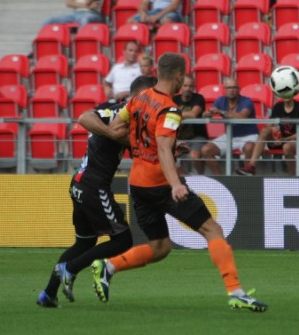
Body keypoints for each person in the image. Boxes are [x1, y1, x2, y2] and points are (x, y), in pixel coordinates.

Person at [91, 53, 268, 312]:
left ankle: (108, 266)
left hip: (138, 184)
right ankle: (236, 291)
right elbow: (163, 149)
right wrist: (175, 183)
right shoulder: (170, 109)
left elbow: (117, 128)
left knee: (160, 247)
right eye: (183, 76)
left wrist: (151, 146)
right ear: (177, 76)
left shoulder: (138, 98)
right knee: (213, 230)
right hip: (161, 183)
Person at [36, 75, 158, 308]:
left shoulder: (123, 114)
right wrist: (112, 134)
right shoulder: (122, 114)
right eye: (152, 96)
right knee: (122, 240)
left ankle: (48, 294)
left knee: (84, 243)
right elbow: (83, 116)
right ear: (142, 95)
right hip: (93, 186)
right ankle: (69, 269)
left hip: (79, 184)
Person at [236, 95, 299, 177]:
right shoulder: (277, 107)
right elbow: (268, 125)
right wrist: (273, 129)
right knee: (264, 131)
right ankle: (251, 166)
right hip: (280, 140)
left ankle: (292, 176)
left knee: (287, 147)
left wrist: (283, 139)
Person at [199, 77, 259, 175]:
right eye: (229, 88)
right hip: (230, 135)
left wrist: (221, 112)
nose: (232, 90)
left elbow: (242, 117)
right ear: (225, 90)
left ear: (239, 89)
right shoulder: (221, 100)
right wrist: (208, 113)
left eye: (235, 87)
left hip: (248, 135)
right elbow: (207, 113)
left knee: (249, 147)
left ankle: (248, 177)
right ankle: (220, 179)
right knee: (206, 150)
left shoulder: (247, 101)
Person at [172, 75, 208, 175]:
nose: (188, 89)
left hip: (197, 136)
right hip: (178, 137)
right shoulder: (174, 99)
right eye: (185, 86)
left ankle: (201, 177)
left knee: (195, 155)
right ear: (180, 86)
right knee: (167, 155)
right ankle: (184, 177)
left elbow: (194, 114)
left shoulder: (198, 98)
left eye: (190, 86)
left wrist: (177, 115)